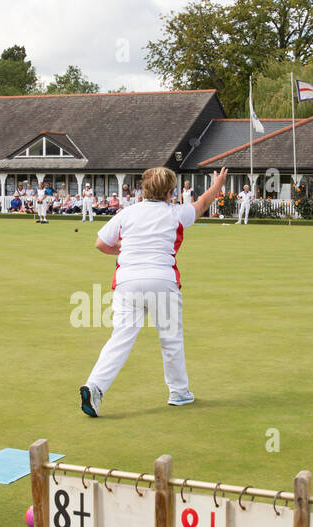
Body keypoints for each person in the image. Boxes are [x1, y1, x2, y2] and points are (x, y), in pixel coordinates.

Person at [79, 166, 228, 417]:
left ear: (143, 189)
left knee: (120, 338)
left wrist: (122, 252)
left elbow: (101, 243)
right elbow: (202, 204)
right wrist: (218, 184)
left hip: (127, 281)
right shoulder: (176, 212)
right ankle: (179, 392)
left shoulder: (127, 213)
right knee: (170, 338)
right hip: (162, 280)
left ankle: (95, 387)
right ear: (171, 191)